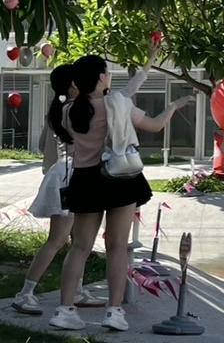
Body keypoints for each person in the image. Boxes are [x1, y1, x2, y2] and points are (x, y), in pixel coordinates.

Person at [50, 55, 193, 332]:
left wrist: (147, 65)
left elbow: (121, 94)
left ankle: (64, 310)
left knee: (79, 247)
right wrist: (174, 105)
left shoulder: (69, 111)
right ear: (101, 78)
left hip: (85, 180)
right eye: (107, 72)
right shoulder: (119, 105)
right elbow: (155, 125)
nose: (110, 76)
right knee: (117, 247)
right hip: (120, 177)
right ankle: (113, 312)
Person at [14, 41, 158, 317]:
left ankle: (71, 293)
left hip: (65, 175)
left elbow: (43, 145)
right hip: (74, 176)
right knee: (64, 241)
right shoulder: (85, 108)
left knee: (76, 243)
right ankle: (27, 292)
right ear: (74, 85)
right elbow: (128, 93)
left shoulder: (63, 110)